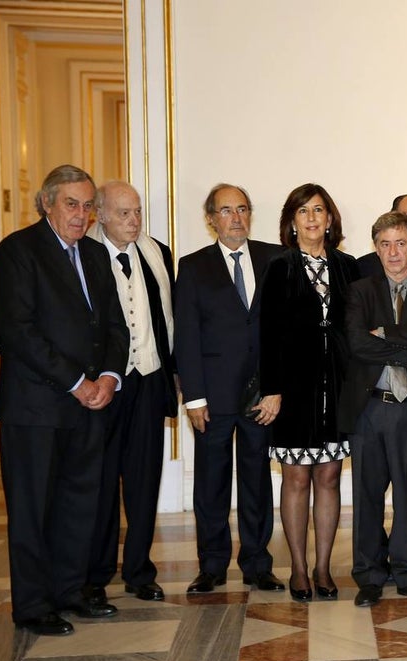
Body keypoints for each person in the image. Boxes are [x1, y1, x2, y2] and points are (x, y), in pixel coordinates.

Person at [0, 164, 128, 635]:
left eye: (89, 205)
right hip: (36, 408)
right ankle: (32, 605)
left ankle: (70, 592)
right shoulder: (17, 251)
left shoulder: (94, 255)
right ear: (46, 202)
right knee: (33, 509)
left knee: (79, 503)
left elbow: (115, 325)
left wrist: (108, 377)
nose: (82, 214)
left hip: (91, 404)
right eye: (72, 203)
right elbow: (19, 332)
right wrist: (77, 382)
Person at [174, 184, 284, 594]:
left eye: (241, 209)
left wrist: (276, 389)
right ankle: (212, 565)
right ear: (210, 219)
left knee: (256, 480)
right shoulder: (193, 266)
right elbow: (186, 336)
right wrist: (195, 398)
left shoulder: (275, 258)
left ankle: (258, 564)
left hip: (260, 396)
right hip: (213, 397)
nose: (236, 218)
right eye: (226, 211)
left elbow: (283, 331)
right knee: (211, 482)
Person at [339, 211, 407, 607]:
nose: (393, 252)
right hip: (370, 407)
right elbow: (355, 343)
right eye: (384, 244)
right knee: (367, 493)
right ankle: (369, 574)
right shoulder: (360, 290)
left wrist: (383, 332)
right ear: (376, 248)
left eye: (401, 243)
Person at [259, 183, 360, 602]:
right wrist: (271, 391)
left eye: (319, 210)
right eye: (303, 211)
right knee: (297, 478)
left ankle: (323, 567)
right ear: (292, 222)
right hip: (293, 390)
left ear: (330, 219)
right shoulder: (279, 267)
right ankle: (299, 568)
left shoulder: (348, 267)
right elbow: (268, 335)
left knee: (330, 476)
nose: (313, 218)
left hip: (338, 386)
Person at [84, 181, 177, 604]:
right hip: (103, 385)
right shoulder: (82, 256)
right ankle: (96, 575)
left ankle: (139, 570)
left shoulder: (158, 253)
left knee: (144, 478)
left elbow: (165, 320)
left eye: (137, 212)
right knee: (101, 483)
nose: (134, 221)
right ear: (99, 215)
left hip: (149, 378)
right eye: (124, 213)